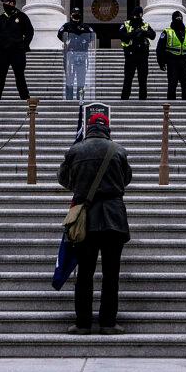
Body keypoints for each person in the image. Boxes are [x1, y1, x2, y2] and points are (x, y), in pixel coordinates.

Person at [57, 112, 133, 335]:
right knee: (111, 273)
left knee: (85, 273)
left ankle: (83, 323)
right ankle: (108, 322)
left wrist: (81, 186)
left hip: (85, 218)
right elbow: (126, 179)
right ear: (107, 128)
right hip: (113, 218)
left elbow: (63, 179)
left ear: (89, 128)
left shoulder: (76, 151)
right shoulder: (118, 151)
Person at [0, 0, 34, 100]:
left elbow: (29, 31)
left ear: (12, 4)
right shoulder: (1, 18)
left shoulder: (22, 16)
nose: (4, 5)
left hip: (17, 51)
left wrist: (24, 45)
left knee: (19, 75)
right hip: (2, 52)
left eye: (6, 2)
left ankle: (24, 96)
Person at [155, 11, 186, 100]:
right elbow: (160, 48)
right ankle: (171, 106)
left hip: (184, 61)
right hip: (172, 61)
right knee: (172, 84)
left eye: (180, 18)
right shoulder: (167, 32)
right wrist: (161, 62)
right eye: (177, 18)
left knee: (185, 84)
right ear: (173, 19)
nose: (178, 20)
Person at [58, 7, 96, 100]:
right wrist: (67, 40)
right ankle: (69, 98)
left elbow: (92, 36)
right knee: (69, 79)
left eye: (77, 14)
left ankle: (81, 98)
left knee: (81, 80)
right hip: (69, 56)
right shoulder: (67, 26)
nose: (76, 16)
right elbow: (60, 35)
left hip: (82, 55)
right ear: (71, 15)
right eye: (74, 14)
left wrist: (83, 40)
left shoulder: (86, 27)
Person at [118, 6, 155, 100]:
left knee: (143, 80)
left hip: (142, 56)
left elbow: (153, 35)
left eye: (139, 14)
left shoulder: (145, 25)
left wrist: (143, 32)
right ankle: (124, 99)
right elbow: (122, 35)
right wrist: (135, 33)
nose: (137, 17)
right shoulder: (126, 24)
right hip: (130, 56)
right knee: (128, 79)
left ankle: (143, 99)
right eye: (136, 15)